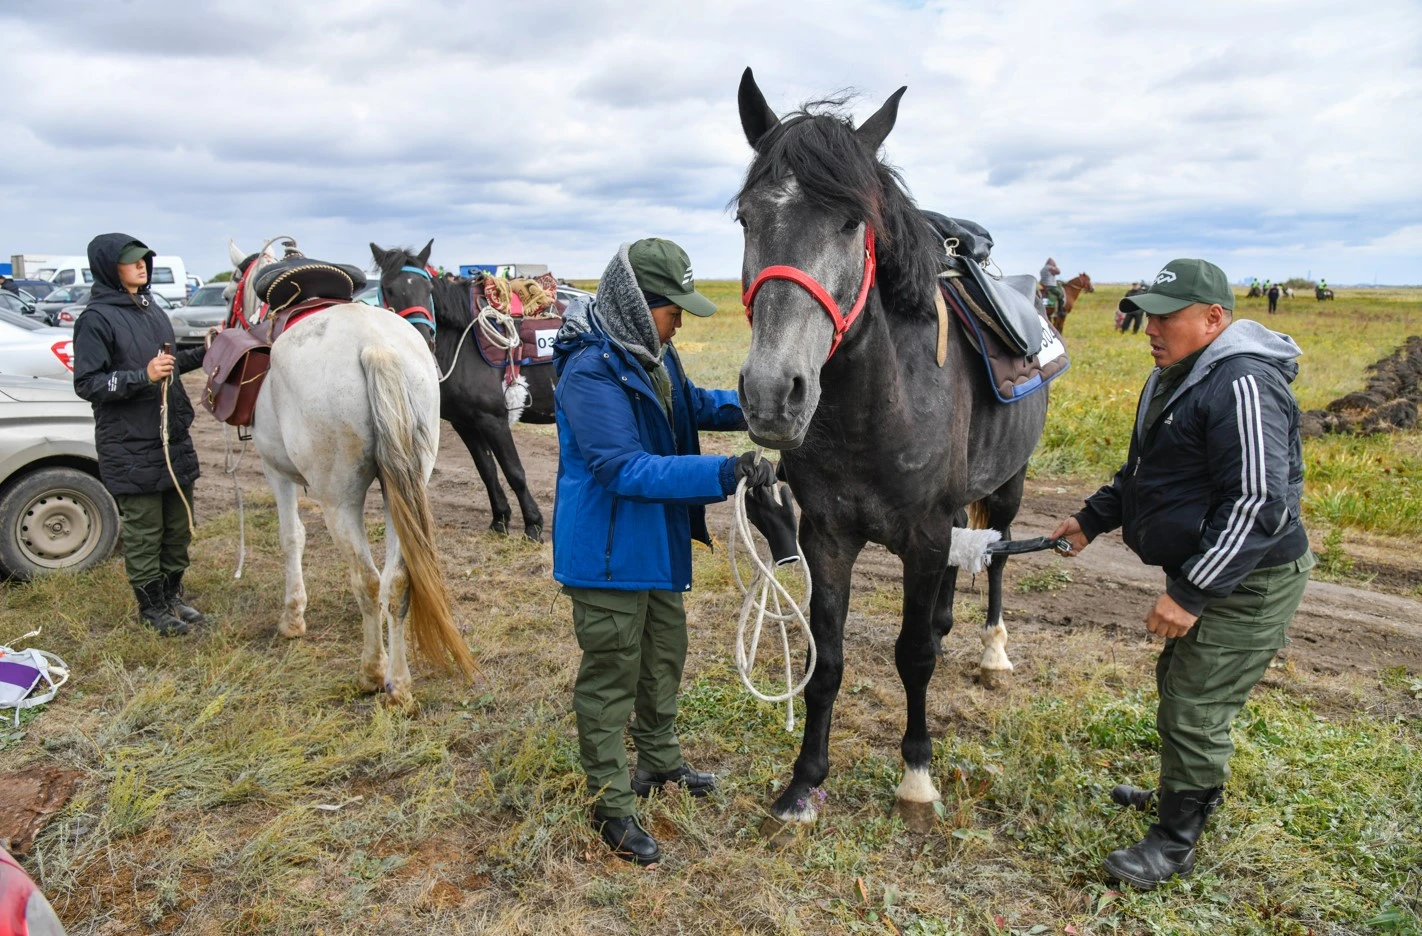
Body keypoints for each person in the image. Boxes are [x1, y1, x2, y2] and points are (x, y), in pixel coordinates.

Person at [1049, 259, 1313, 890]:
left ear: (1214, 318)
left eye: (1168, 316)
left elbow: (1258, 504)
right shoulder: (1177, 376)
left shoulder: (1242, 382)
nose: (1151, 328)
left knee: (1195, 702)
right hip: (1214, 571)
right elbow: (1147, 471)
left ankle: (1174, 842)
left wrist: (1190, 592)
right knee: (1179, 684)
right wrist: (1091, 518)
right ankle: (1178, 793)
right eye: (1150, 313)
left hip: (1248, 581)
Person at [552, 237, 784, 866]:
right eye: (672, 308)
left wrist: (758, 409)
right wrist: (723, 472)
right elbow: (623, 468)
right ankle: (611, 802)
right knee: (612, 674)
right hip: (606, 555)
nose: (680, 319)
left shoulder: (654, 353)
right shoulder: (590, 371)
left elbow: (695, 404)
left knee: (662, 657)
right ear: (635, 303)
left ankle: (660, 763)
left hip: (652, 544)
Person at [72, 234, 209, 636]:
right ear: (108, 268)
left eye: (145, 260)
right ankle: (151, 610)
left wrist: (204, 352)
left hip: (171, 436)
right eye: (132, 261)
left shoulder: (151, 309)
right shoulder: (95, 319)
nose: (142, 266)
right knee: (146, 529)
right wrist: (140, 377)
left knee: (178, 525)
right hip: (129, 441)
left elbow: (166, 364)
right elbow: (88, 383)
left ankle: (171, 597)